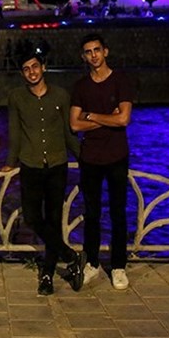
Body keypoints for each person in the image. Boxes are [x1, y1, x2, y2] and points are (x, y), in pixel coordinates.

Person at [1, 40, 85, 296]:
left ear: (43, 67)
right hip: (30, 164)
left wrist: (83, 158)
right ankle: (70, 256)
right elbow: (15, 133)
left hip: (57, 164)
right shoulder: (16, 97)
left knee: (53, 219)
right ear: (22, 73)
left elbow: (69, 132)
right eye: (26, 69)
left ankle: (47, 274)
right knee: (32, 217)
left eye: (35, 67)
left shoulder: (61, 95)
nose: (32, 72)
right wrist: (10, 162)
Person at [69, 33, 134, 291]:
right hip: (90, 158)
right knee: (92, 213)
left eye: (97, 50)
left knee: (118, 212)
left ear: (105, 51)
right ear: (83, 56)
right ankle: (92, 263)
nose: (93, 55)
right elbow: (74, 125)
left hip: (117, 155)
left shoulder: (121, 81)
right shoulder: (81, 86)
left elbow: (124, 119)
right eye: (88, 51)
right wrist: (108, 117)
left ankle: (118, 266)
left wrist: (92, 116)